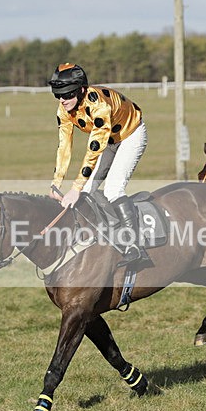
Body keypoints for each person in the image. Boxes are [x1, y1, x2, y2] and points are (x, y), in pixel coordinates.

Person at [47, 62, 148, 264]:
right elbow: (64, 146)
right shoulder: (63, 110)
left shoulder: (98, 105)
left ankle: (134, 245)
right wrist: (56, 182)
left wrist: (75, 187)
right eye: (58, 95)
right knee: (87, 191)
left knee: (112, 190)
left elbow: (94, 149)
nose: (62, 100)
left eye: (67, 94)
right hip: (110, 140)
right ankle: (107, 235)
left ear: (81, 90)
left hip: (131, 135)